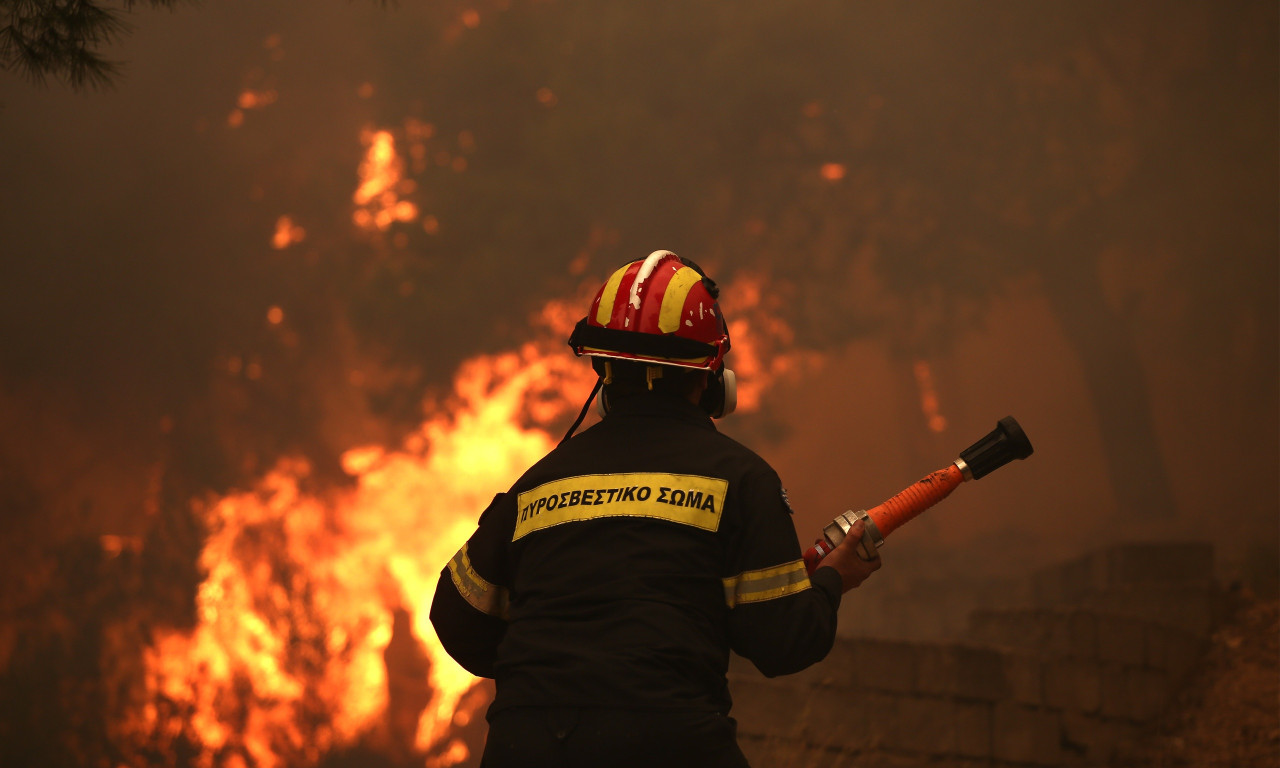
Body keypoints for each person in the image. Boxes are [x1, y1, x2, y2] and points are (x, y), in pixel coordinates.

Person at [430, 250, 881, 767]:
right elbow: (783, 643)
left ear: (602, 375)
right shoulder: (740, 480)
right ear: (711, 380)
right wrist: (832, 582)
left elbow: (457, 619)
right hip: (666, 742)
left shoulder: (538, 484)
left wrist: (552, 674)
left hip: (523, 746)